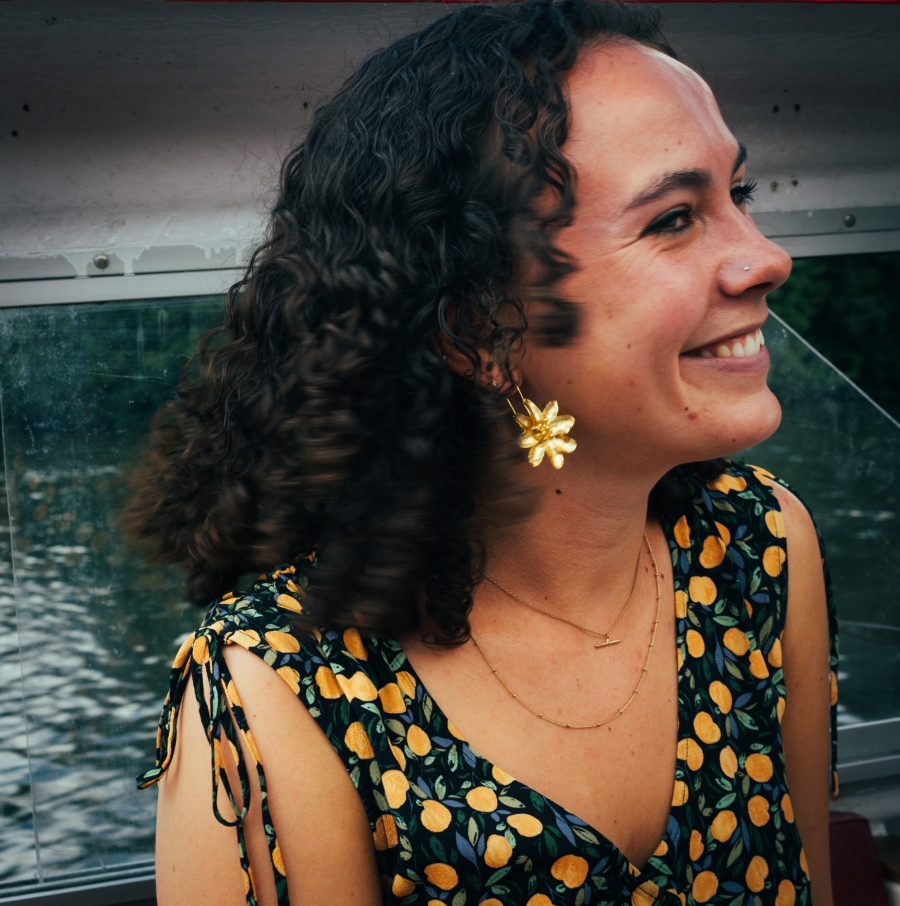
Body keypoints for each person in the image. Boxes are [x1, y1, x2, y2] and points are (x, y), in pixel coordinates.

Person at [130, 1, 838, 903]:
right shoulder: (272, 690)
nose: (768, 257)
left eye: (740, 195)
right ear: (478, 331)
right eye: (672, 218)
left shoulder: (762, 541)